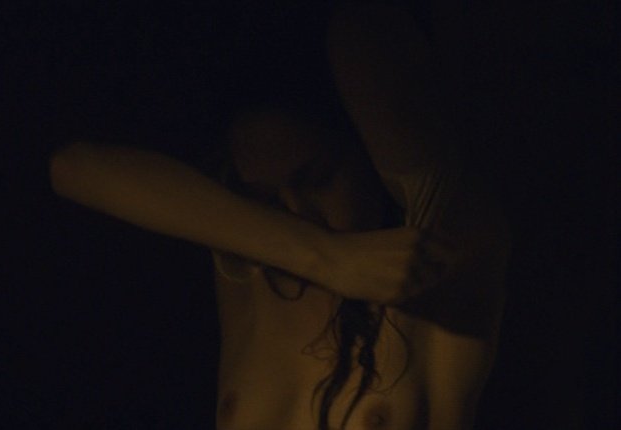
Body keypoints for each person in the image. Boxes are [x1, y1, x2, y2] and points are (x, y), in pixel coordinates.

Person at [49, 2, 510, 429]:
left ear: (366, 152)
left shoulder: (444, 235)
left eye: (317, 179)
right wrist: (327, 257)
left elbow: (360, 29)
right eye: (266, 197)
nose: (295, 211)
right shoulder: (252, 263)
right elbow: (72, 169)